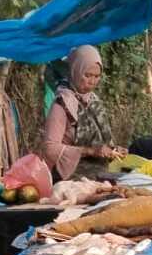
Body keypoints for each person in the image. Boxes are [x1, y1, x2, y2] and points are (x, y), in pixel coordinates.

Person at [41, 45, 126, 181]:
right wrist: (90, 151)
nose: (92, 82)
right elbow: (49, 148)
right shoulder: (62, 104)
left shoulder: (95, 103)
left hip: (98, 174)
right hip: (70, 178)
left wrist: (114, 151)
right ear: (75, 71)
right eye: (87, 75)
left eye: (97, 76)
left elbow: (103, 144)